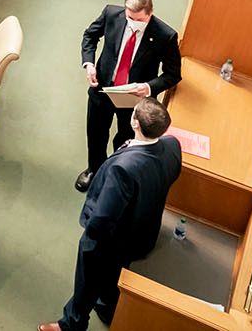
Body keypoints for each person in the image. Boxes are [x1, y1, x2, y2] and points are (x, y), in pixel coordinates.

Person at [42, 98, 182, 331]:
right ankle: (107, 306)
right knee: (113, 276)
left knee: (88, 280)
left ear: (135, 123)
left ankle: (72, 324)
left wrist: (91, 235)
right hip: (145, 229)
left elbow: (104, 217)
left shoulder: (123, 168)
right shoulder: (172, 146)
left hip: (112, 240)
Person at [77, 0, 183, 191]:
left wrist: (149, 87)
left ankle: (115, 174)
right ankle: (94, 170)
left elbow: (173, 74)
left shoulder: (165, 36)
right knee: (96, 133)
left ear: (150, 13)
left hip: (134, 99)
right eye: (130, 18)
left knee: (126, 139)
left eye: (139, 20)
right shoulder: (111, 14)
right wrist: (89, 63)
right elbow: (90, 35)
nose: (133, 23)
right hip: (103, 89)